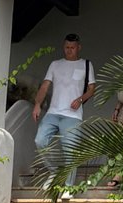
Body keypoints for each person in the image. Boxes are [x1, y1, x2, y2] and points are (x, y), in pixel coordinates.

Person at [31, 32, 96, 188]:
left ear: (78, 47)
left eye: (72, 47)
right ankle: (54, 171)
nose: (69, 50)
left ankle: (68, 186)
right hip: (53, 112)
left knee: (70, 150)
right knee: (40, 140)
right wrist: (37, 104)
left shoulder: (86, 64)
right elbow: (45, 85)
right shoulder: (55, 64)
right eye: (67, 47)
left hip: (72, 116)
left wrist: (80, 99)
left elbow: (92, 89)